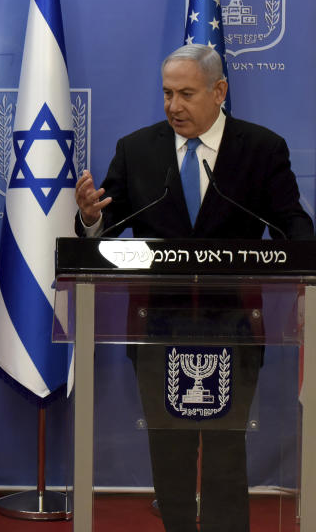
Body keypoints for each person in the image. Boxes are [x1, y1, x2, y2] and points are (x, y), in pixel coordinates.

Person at [74, 44, 312, 532]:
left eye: (185, 94)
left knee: (226, 450)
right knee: (169, 451)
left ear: (219, 91)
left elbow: (292, 225)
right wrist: (91, 218)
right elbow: (107, 229)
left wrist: (302, 254)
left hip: (234, 328)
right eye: (166, 94)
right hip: (155, 328)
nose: (173, 106)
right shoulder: (136, 148)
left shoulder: (262, 148)